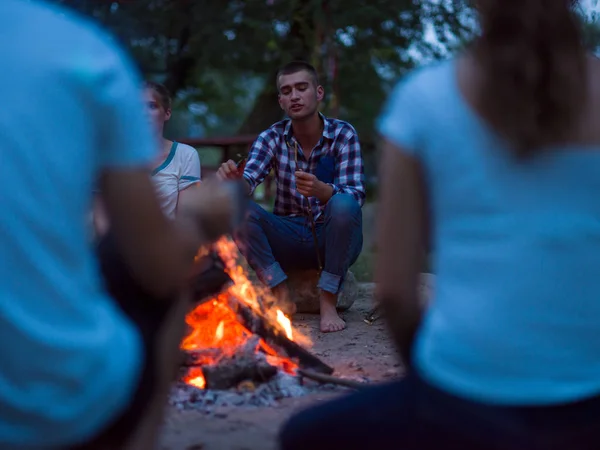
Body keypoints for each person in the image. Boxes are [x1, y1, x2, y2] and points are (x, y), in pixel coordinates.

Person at [279, 1, 600, 449]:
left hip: (464, 393)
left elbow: (395, 290)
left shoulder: (425, 100)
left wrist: (435, 386)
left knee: (303, 435)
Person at [0, 1, 242, 449]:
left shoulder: (181, 154)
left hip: (127, 243)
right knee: (166, 289)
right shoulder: (85, 56)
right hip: (57, 404)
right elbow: (153, 261)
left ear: (165, 113)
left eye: (152, 106)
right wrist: (201, 217)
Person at [217, 61, 365, 333]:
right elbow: (249, 179)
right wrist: (235, 184)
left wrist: (324, 191)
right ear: (280, 101)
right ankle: (280, 292)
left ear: (318, 93)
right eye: (286, 91)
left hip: (331, 235)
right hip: (288, 236)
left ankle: (328, 300)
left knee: (343, 204)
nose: (294, 96)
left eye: (301, 88)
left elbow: (356, 196)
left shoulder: (343, 134)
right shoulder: (272, 137)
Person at [93, 81, 201, 236]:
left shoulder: (185, 155)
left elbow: (186, 217)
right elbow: (100, 211)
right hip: (118, 247)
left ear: (167, 113)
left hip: (165, 246)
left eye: (151, 106)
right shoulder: (113, 154)